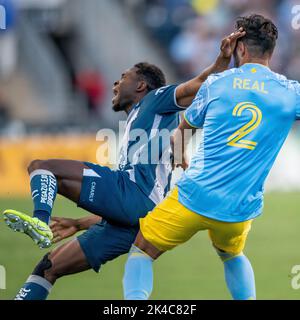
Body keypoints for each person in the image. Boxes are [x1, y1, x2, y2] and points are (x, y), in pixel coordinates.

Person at [4, 31, 244, 300]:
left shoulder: (157, 99)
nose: (116, 83)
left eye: (123, 77)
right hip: (138, 219)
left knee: (42, 167)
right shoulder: (143, 123)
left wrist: (222, 60)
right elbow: (127, 209)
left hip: (132, 194)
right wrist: (80, 223)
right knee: (48, 268)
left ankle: (39, 221)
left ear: (141, 85)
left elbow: (201, 82)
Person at [122, 14, 300, 300]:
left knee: (142, 250)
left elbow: (181, 131)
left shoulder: (217, 84)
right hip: (239, 208)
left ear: (240, 48)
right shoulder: (291, 93)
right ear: (271, 50)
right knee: (232, 253)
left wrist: (180, 156)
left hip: (195, 196)